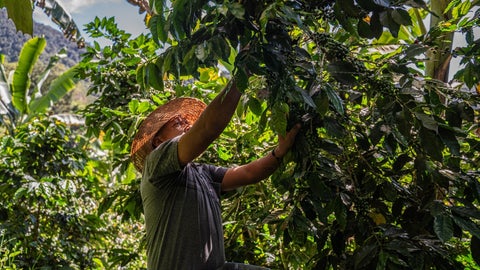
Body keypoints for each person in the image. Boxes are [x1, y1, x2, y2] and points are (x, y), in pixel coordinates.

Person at [130, 79, 301, 269]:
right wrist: (241, 74)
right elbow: (207, 129)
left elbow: (248, 173)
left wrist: (279, 152)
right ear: (158, 141)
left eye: (185, 120)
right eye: (176, 121)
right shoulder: (156, 163)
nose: (185, 122)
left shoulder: (203, 173)